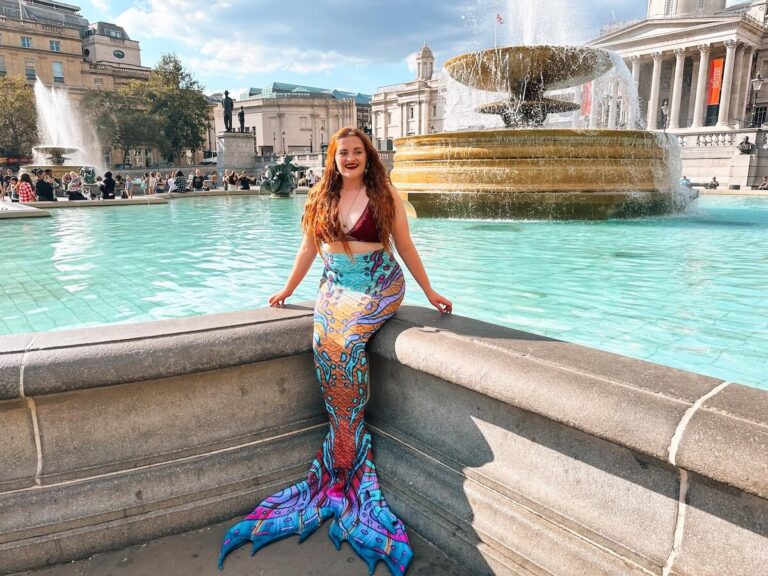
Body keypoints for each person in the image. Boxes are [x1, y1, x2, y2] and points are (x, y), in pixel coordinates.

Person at [218, 127, 451, 574]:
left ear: (368, 157)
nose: (349, 158)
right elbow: (308, 249)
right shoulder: (319, 197)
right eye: (342, 152)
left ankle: (349, 449)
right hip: (336, 285)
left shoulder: (385, 195)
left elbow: (405, 247)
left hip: (380, 282)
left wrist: (430, 290)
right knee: (323, 345)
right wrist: (286, 290)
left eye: (356, 152)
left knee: (345, 343)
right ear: (333, 157)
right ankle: (343, 449)